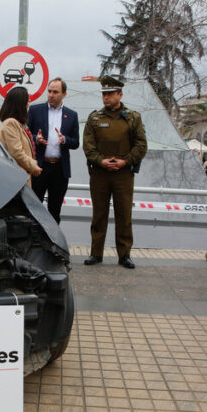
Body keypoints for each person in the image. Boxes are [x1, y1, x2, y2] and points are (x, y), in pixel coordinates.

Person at [82, 75, 147, 269]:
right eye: (104, 94)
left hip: (123, 174)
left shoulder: (133, 118)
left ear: (120, 94)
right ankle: (96, 253)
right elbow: (88, 146)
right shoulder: (94, 118)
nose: (106, 97)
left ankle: (124, 254)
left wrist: (124, 161)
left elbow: (141, 145)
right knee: (98, 215)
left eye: (110, 94)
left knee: (124, 215)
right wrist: (101, 161)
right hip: (100, 174)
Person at [27, 78, 80, 223]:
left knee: (55, 210)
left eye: (55, 92)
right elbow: (25, 134)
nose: (51, 94)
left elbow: (76, 142)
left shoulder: (72, 115)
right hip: (39, 167)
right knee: (34, 208)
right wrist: (35, 139)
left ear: (64, 94)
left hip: (59, 169)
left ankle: (53, 243)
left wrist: (65, 140)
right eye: (49, 91)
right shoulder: (35, 110)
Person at [0, 86, 42, 184]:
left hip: (21, 178)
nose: (28, 104)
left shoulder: (18, 124)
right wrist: (33, 166)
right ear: (20, 104)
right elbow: (16, 153)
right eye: (27, 101)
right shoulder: (11, 123)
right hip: (16, 180)